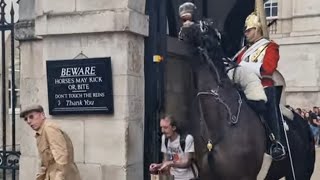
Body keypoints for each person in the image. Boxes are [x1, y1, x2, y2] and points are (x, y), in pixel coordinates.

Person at [233, 12, 286, 160]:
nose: (246, 33)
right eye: (245, 30)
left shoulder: (270, 47)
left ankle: (276, 143)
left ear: (257, 29)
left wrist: (243, 67)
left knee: (270, 109)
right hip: (242, 87)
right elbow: (234, 66)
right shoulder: (243, 51)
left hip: (263, 86)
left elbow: (268, 69)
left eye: (249, 30)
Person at [20, 105, 81, 180]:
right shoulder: (41, 132)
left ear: (42, 115)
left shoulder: (49, 128)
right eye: (26, 119)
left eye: (31, 117)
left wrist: (59, 178)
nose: (28, 121)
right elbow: (45, 163)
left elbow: (61, 157)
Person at [149, 115, 197, 180]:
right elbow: (166, 161)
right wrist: (158, 166)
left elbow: (187, 162)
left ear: (174, 128)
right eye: (161, 127)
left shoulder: (187, 139)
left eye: (165, 127)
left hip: (187, 177)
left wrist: (169, 163)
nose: (162, 130)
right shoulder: (164, 138)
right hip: (173, 177)